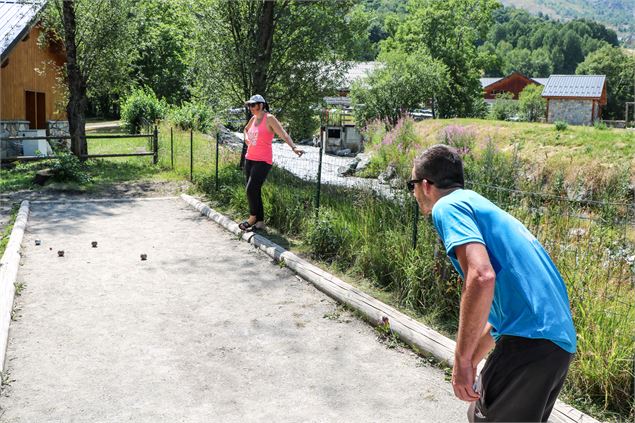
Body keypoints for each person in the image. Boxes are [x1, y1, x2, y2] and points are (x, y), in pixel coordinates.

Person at [409, 144, 576, 422]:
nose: (413, 193)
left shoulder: (447, 206)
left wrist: (461, 361)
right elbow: (504, 313)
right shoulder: (480, 205)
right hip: (555, 347)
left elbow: (481, 277)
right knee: (478, 414)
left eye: (411, 185)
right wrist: (472, 360)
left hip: (529, 344)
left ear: (426, 185)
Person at [238, 94, 304, 231]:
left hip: (263, 161)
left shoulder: (269, 119)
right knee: (255, 191)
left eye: (253, 105)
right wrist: (246, 138)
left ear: (261, 105)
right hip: (249, 158)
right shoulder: (253, 118)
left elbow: (284, 134)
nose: (250, 108)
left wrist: (293, 147)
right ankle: (260, 222)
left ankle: (252, 218)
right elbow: (245, 129)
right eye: (249, 105)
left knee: (250, 189)